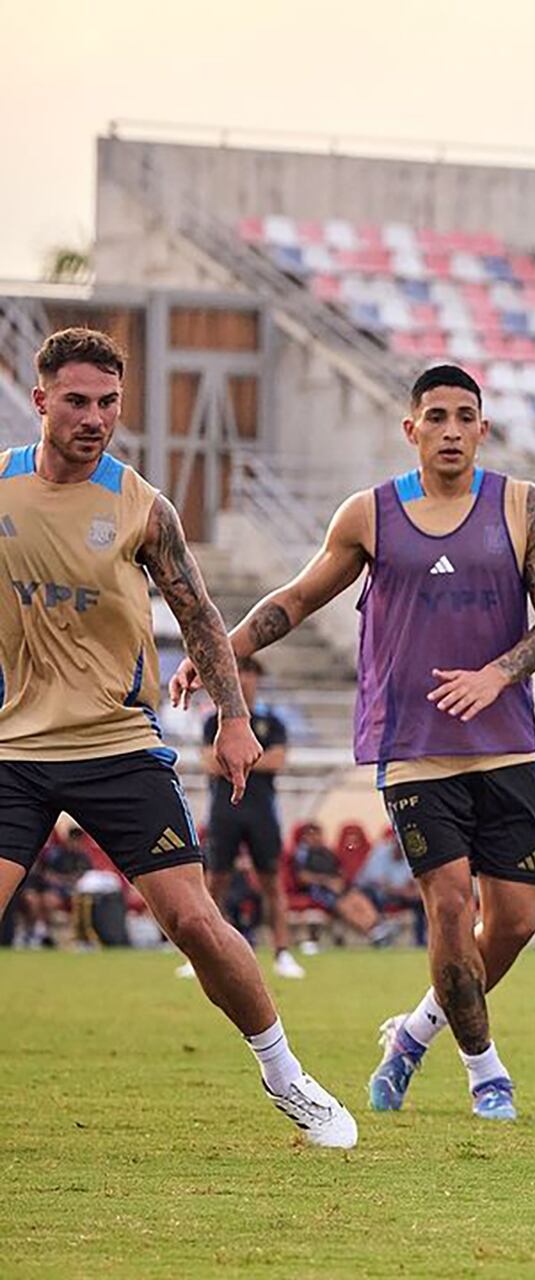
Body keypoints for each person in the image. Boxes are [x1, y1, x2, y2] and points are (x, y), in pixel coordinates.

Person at [171, 362, 535, 1123]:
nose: (450, 430)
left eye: (465, 416)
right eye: (436, 416)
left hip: (507, 746)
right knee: (450, 908)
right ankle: (486, 1071)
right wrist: (216, 650)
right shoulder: (371, 515)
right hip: (413, 747)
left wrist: (497, 674)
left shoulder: (524, 506)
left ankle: (414, 1034)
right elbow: (294, 599)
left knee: (516, 922)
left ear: (482, 429)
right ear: (411, 428)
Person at [0, 327, 354, 1147]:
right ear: (41, 398)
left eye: (110, 403)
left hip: (118, 747)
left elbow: (199, 616)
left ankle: (285, 1075)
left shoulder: (141, 506)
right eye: (79, 401)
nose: (95, 418)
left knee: (193, 922)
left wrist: (234, 720)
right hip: (15, 752)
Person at [177, 655, 302, 979]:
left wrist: (236, 759)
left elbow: (277, 761)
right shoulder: (212, 723)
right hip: (224, 810)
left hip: (261, 810)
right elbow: (209, 762)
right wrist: (254, 756)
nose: (243, 679)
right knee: (215, 881)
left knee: (272, 882)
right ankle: (201, 955)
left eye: (248, 672)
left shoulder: (271, 722)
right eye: (238, 672)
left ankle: (282, 952)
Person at [290, 825, 390, 943]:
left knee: (357, 897)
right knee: (344, 905)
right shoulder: (302, 854)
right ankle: (371, 932)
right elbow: (303, 877)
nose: (317, 838)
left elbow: (339, 870)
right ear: (305, 837)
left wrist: (339, 882)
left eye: (318, 834)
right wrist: (326, 881)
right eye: (312, 835)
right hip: (319, 889)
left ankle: (378, 926)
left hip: (338, 887)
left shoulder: (327, 852)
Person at [18, 828, 93, 948]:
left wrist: (66, 880)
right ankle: (35, 932)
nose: (76, 843)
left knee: (51, 900)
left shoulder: (83, 857)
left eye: (78, 840)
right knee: (36, 899)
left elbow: (87, 877)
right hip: (50, 889)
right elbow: (47, 875)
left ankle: (51, 934)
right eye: (73, 839)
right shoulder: (56, 854)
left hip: (71, 892)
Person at [356, 826, 426, 945]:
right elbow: (377, 882)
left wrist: (410, 891)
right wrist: (402, 890)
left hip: (400, 895)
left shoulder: (413, 856)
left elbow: (413, 884)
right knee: (372, 894)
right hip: (374, 892)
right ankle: (379, 935)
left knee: (420, 900)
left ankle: (420, 941)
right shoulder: (380, 851)